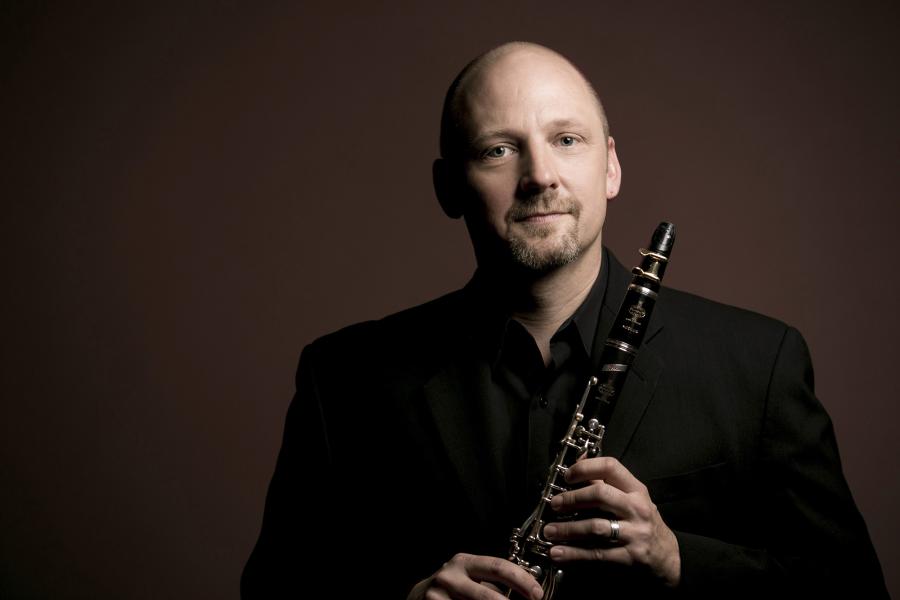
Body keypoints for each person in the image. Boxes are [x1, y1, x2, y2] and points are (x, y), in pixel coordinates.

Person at [241, 42, 887, 599]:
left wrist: (679, 558)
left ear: (609, 166)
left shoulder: (756, 364)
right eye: (498, 150)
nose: (540, 176)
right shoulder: (345, 381)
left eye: (566, 140)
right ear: (447, 187)